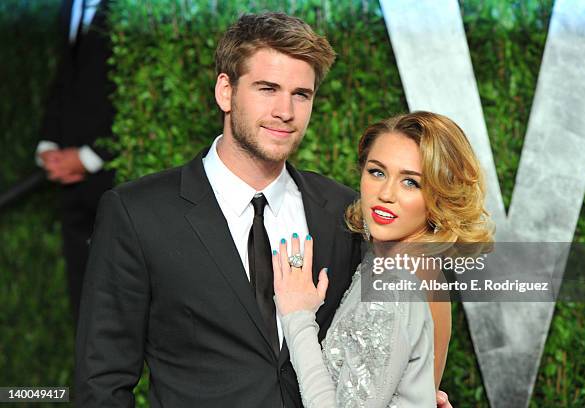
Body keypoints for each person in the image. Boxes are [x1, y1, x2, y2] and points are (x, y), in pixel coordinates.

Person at [75, 13, 453, 407]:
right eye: (267, 88)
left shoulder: (346, 213)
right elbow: (102, 381)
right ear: (226, 91)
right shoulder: (139, 213)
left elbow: (386, 335)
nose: (285, 111)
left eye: (301, 94)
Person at [273, 112, 495, 407]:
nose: (386, 194)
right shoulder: (421, 270)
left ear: (441, 195)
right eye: (377, 172)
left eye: (411, 183)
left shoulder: (394, 286)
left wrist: (298, 318)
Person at [36, 0, 115, 323]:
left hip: (112, 178)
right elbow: (66, 78)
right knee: (82, 300)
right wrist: (48, 142)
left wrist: (89, 158)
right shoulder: (69, 7)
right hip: (70, 185)